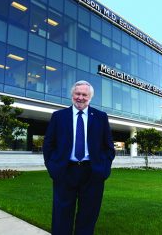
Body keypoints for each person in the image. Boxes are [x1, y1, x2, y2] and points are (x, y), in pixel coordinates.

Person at [43, 80, 115, 235]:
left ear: (90, 97)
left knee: (88, 216)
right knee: (61, 216)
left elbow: (109, 147)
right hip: (65, 171)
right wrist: (53, 167)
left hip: (92, 173)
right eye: (78, 93)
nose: (80, 97)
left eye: (84, 94)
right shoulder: (58, 116)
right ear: (72, 95)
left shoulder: (101, 117)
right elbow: (48, 144)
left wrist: (103, 169)